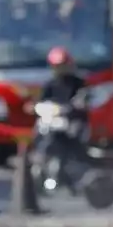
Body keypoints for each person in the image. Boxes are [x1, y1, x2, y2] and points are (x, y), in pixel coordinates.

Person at [37, 47, 88, 191]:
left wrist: (77, 105)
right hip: (54, 120)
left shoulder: (78, 83)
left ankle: (78, 165)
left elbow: (83, 99)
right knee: (41, 131)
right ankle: (41, 161)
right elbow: (41, 101)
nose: (61, 69)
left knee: (76, 135)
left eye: (63, 65)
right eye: (57, 66)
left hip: (73, 121)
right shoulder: (50, 84)